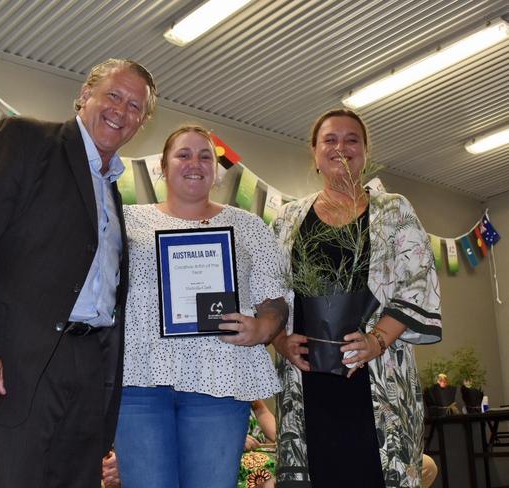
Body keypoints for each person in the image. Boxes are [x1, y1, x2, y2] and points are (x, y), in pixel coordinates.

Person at [0, 58, 157, 488]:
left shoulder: (115, 191)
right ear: (85, 95)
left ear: (142, 122)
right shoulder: (25, 139)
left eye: (136, 107)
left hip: (88, 370)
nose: (122, 111)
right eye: (114, 95)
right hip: (10, 367)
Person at [271, 109, 442, 487]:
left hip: (379, 379)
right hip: (307, 381)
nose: (340, 147)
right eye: (329, 139)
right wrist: (279, 339)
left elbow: (418, 283)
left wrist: (377, 340)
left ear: (365, 152)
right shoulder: (286, 219)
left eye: (352, 139)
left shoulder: (394, 210)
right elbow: (266, 292)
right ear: (314, 153)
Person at [113, 125, 290, 488]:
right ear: (163, 166)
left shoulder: (249, 226)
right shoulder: (126, 220)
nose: (195, 163)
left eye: (205, 155)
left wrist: (262, 327)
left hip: (220, 381)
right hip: (139, 380)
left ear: (216, 169)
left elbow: (275, 298)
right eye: (183, 154)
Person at [238, 399, 276, 488]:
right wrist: (232, 439)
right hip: (228, 453)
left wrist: (280, 438)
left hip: (262, 449)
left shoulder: (244, 385)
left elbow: (261, 410)